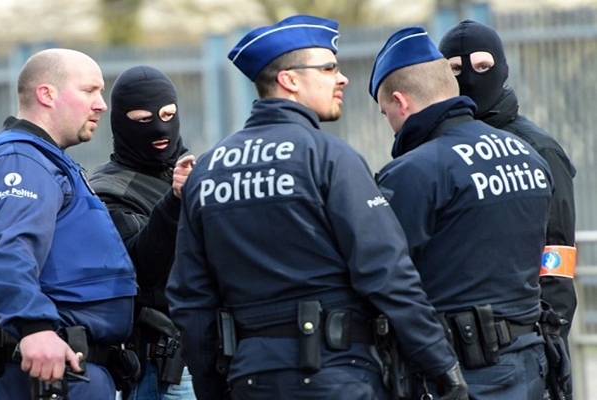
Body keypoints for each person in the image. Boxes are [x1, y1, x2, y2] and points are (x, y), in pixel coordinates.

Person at [166, 15, 468, 400]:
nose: (342, 79)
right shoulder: (329, 156)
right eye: (328, 68)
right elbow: (385, 270)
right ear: (289, 80)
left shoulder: (209, 169)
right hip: (337, 373)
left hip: (251, 378)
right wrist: (439, 362)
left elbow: (190, 298)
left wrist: (212, 387)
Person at [368, 26, 554, 399]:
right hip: (531, 364)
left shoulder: (413, 172)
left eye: (386, 112)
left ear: (401, 103)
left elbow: (384, 277)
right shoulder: (528, 154)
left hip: (462, 374)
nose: (391, 125)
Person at [0, 48, 138, 399]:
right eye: (89, 90)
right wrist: (33, 326)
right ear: (47, 94)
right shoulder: (20, 160)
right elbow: (8, 249)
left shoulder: (41, 159)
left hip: (66, 366)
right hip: (50, 367)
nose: (101, 105)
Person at [438, 20, 576, 398]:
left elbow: (556, 262)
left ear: (501, 68)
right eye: (454, 69)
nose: (469, 79)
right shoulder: (434, 151)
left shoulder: (538, 149)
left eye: (482, 66)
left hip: (525, 351)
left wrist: (550, 345)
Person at [88, 65, 196, 400]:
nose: (160, 128)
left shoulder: (196, 172)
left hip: (216, 358)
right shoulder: (108, 191)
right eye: (143, 119)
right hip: (165, 366)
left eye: (168, 115)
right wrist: (174, 202)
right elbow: (137, 267)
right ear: (122, 122)